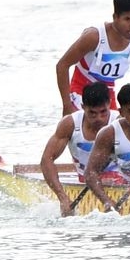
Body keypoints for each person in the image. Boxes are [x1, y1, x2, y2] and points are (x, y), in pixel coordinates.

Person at [54, 0, 130, 115]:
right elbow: (62, 65)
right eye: (128, 19)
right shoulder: (94, 37)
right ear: (115, 17)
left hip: (108, 96)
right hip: (81, 92)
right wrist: (67, 105)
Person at [40, 81, 114, 217]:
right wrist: (62, 197)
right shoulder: (70, 124)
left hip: (118, 180)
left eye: (103, 112)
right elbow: (46, 159)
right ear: (83, 107)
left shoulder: (120, 122)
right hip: (84, 181)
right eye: (92, 113)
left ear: (110, 104)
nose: (99, 118)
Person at [80, 82, 130, 212]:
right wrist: (107, 201)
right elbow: (90, 173)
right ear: (122, 112)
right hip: (128, 187)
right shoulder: (109, 133)